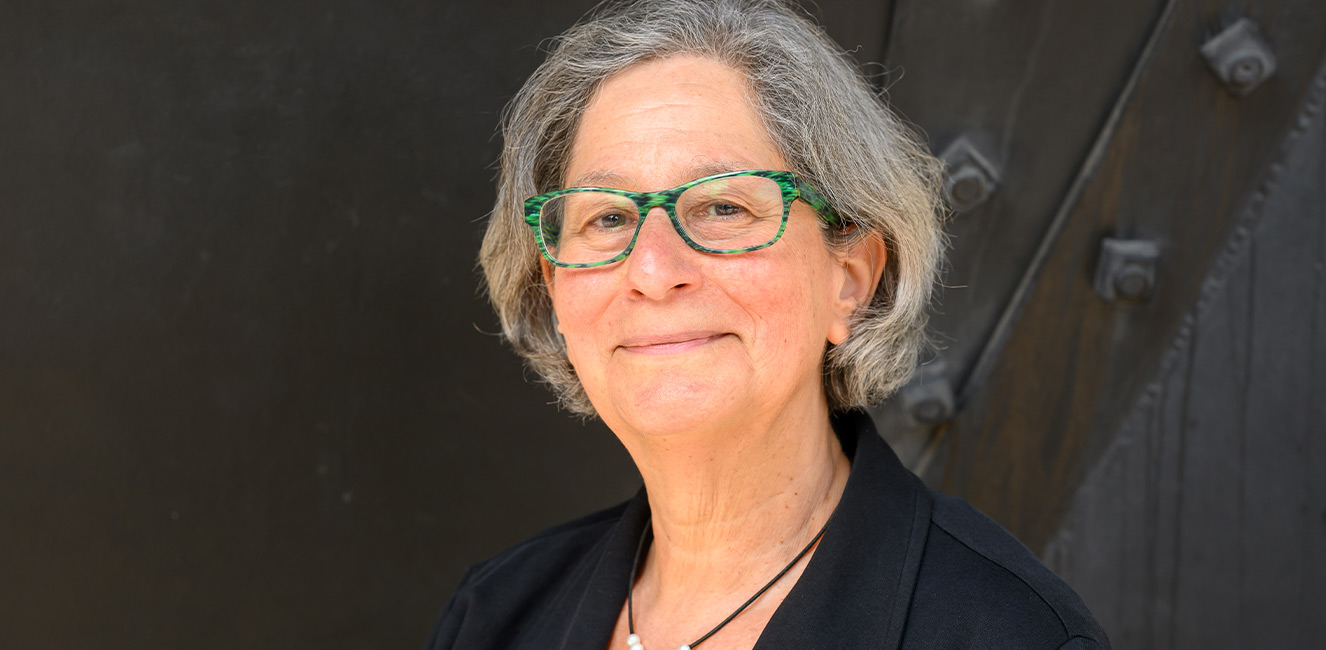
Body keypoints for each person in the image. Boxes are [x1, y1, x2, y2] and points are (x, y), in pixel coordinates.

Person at [427, 0, 1110, 647]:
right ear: (554, 293)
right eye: (606, 218)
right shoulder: (495, 616)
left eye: (723, 207)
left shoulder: (1009, 634)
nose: (655, 270)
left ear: (850, 279)